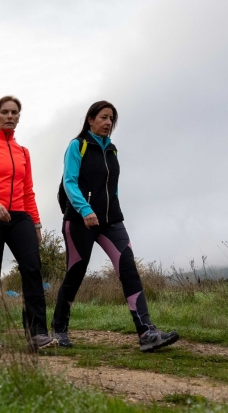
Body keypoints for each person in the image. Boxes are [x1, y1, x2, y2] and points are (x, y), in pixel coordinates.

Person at [52, 101, 179, 352]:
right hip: (81, 220)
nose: (108, 123)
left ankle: (146, 332)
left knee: (129, 269)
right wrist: (85, 210)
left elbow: (112, 186)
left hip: (111, 221)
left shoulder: (112, 150)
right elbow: (69, 181)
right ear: (90, 119)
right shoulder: (78, 145)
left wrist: (114, 208)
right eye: (103, 117)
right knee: (75, 274)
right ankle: (59, 329)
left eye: (112, 119)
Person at [0, 95, 57, 350]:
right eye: (5, 112)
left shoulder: (23, 153)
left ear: (19, 117)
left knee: (32, 268)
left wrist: (37, 224)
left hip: (20, 216)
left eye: (15, 112)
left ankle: (37, 333)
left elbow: (28, 190)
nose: (10, 116)